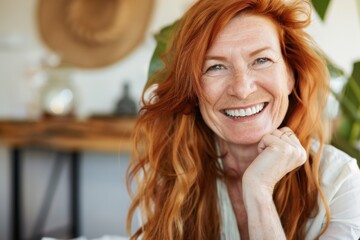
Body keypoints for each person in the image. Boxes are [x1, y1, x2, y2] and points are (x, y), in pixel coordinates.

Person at [126, 0, 360, 239]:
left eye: (261, 60)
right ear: (193, 90)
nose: (242, 89)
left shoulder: (339, 181)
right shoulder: (170, 173)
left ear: (289, 75)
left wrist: (258, 190)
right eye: (215, 67)